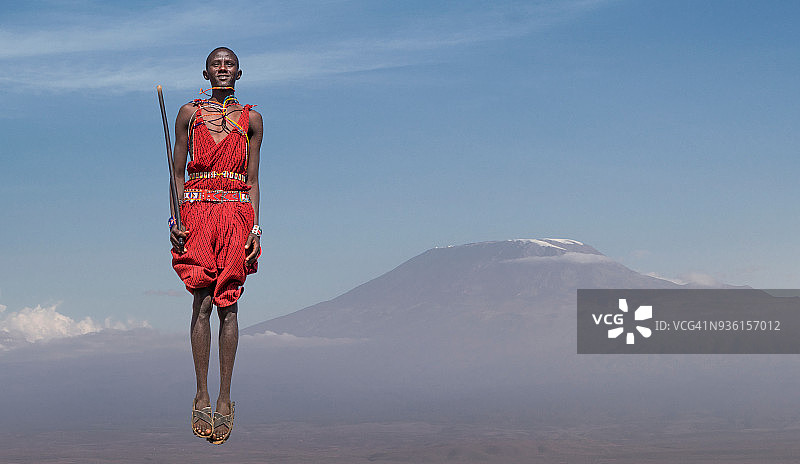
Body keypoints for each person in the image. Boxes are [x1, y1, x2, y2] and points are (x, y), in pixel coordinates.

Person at [169, 47, 263, 445]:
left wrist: (255, 229)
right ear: (205, 72)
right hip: (197, 208)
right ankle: (201, 393)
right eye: (216, 64)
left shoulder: (252, 120)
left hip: (236, 210)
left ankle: (225, 397)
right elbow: (176, 172)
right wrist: (175, 219)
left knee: (229, 303)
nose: (222, 69)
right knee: (202, 301)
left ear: (239, 73)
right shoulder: (188, 115)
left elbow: (254, 178)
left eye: (229, 64)